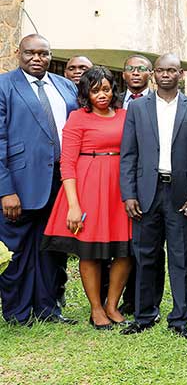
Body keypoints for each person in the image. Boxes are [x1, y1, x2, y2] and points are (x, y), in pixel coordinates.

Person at [119, 53, 187, 338]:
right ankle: (145, 314)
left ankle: (179, 319)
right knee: (145, 255)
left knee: (180, 257)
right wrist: (129, 193)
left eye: (172, 70)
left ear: (180, 74)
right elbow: (128, 154)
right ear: (153, 74)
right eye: (160, 70)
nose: (166, 75)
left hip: (180, 194)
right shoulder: (138, 109)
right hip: (146, 191)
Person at [42, 66, 133, 329]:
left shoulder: (127, 115)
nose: (101, 95)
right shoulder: (78, 118)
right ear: (85, 93)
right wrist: (73, 205)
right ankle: (96, 309)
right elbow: (67, 163)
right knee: (90, 252)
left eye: (106, 89)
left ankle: (112, 305)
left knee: (124, 251)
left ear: (113, 89)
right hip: (88, 188)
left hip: (119, 188)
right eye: (95, 91)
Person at [0, 34, 79, 326]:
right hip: (19, 185)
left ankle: (49, 309)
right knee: (17, 252)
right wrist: (5, 190)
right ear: (17, 53)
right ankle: (18, 313)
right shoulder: (4, 85)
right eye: (31, 53)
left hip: (61, 183)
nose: (37, 58)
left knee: (53, 249)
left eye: (43, 53)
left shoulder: (65, 85)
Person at [116, 54, 162, 316]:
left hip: (151, 185)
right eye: (130, 69)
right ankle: (119, 296)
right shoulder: (113, 100)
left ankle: (145, 300)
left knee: (149, 245)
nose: (136, 73)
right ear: (123, 75)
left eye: (142, 69)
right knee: (121, 244)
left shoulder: (159, 102)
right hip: (120, 181)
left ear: (151, 74)